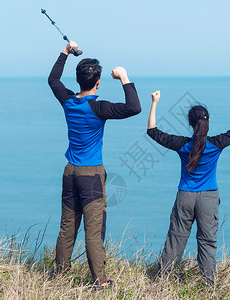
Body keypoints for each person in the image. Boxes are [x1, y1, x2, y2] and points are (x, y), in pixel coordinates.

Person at [48, 41, 141, 288]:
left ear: (78, 81)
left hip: (70, 172)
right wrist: (124, 77)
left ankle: (58, 276)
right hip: (91, 176)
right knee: (93, 229)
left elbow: (53, 80)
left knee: (68, 226)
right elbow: (134, 107)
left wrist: (65, 52)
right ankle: (100, 282)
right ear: (98, 83)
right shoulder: (99, 108)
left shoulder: (68, 101)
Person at [146, 84, 230, 284]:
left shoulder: (182, 145)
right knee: (207, 242)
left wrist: (154, 103)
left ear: (190, 123)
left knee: (176, 239)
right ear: (208, 122)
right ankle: (208, 284)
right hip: (208, 198)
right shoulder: (216, 144)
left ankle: (162, 281)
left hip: (185, 196)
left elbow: (152, 131)